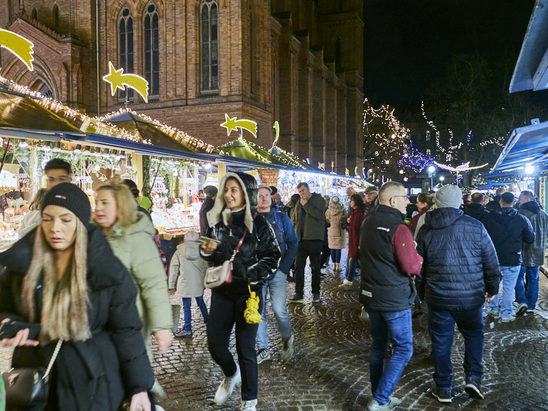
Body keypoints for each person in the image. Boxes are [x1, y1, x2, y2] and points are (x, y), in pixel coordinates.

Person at [0, 183, 154, 410]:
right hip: (35, 381)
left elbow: (127, 330)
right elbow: (4, 309)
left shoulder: (106, 269)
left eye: (66, 219)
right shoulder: (21, 264)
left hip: (91, 383)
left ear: (80, 223)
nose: (55, 228)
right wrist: (8, 325)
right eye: (48, 219)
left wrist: (139, 388)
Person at [200, 172, 280, 411]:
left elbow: (273, 257)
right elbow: (214, 256)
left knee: (246, 349)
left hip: (249, 295)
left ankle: (249, 400)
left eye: (234, 190)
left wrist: (249, 274)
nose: (229, 195)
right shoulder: (219, 223)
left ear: (246, 194)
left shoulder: (260, 224)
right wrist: (207, 250)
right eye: (227, 190)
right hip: (222, 293)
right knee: (215, 345)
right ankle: (231, 373)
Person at [415, 184, 500, 403]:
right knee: (473, 336)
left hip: (439, 297)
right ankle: (473, 377)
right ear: (460, 203)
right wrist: (492, 288)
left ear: (438, 203)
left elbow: (420, 267)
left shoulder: (426, 228)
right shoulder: (475, 226)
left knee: (442, 342)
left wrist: (422, 292)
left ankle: (443, 387)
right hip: (471, 297)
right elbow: (490, 261)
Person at [94, 179, 173, 396]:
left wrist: (162, 327)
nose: (98, 208)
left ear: (121, 205)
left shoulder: (136, 238)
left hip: (131, 323)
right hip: (99, 323)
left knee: (132, 376)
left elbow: (154, 284)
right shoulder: (92, 236)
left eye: (105, 203)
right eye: (96, 202)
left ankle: (146, 397)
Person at [359, 182, 423, 411]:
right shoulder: (399, 227)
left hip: (371, 294)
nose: (409, 201)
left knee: (378, 345)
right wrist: (417, 257)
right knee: (404, 348)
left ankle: (378, 394)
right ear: (392, 201)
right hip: (394, 297)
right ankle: (381, 399)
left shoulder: (368, 221)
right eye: (405, 197)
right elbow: (411, 267)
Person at [255, 184, 298, 364]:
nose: (263, 198)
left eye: (266, 195)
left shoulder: (281, 218)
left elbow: (293, 243)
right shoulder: (248, 219)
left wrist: (284, 269)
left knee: (280, 310)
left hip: (278, 274)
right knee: (259, 312)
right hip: (257, 274)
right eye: (260, 195)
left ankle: (287, 337)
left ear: (271, 198)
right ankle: (263, 349)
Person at [482, 192, 535, 322]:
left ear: (501, 202)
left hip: (493, 258)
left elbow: (481, 237)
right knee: (509, 288)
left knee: (493, 284)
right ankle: (506, 314)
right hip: (513, 258)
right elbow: (530, 238)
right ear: (514, 202)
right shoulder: (521, 219)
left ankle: (494, 309)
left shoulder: (489, 218)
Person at [289, 182, 327, 303]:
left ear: (308, 189)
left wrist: (306, 205)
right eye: (300, 191)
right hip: (300, 240)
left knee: (315, 268)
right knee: (299, 267)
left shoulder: (318, 199)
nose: (302, 193)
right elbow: (294, 218)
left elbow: (320, 215)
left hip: (315, 239)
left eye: (303, 190)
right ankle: (298, 293)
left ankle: (316, 293)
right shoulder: (299, 202)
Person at [168, 230, 209, 338]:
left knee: (186, 306)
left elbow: (173, 269)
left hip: (185, 283)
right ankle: (208, 321)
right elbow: (206, 267)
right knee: (201, 301)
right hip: (198, 283)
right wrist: (205, 282)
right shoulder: (202, 251)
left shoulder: (179, 252)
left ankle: (187, 329)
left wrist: (171, 285)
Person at [515, 190, 548, 314]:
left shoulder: (521, 214)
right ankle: (531, 305)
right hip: (538, 252)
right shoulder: (544, 214)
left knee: (518, 277)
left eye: (520, 199)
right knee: (533, 279)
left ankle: (522, 300)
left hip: (523, 251)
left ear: (528, 199)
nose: (518, 201)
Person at [340, 194, 365, 289]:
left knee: (356, 261)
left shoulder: (359, 213)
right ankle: (349, 279)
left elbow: (360, 229)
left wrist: (359, 242)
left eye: (352, 200)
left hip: (357, 241)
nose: (350, 202)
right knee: (353, 260)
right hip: (354, 240)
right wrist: (348, 221)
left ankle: (351, 280)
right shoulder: (354, 212)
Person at [325, 196, 346, 272]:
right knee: (338, 249)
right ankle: (338, 265)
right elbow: (345, 218)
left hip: (331, 231)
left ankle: (333, 264)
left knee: (332, 248)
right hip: (339, 231)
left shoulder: (328, 211)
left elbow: (326, 220)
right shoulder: (342, 210)